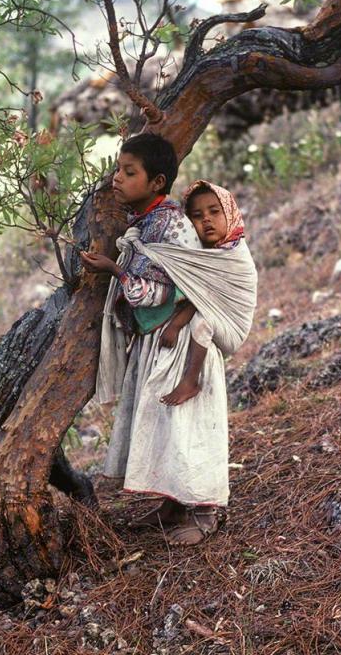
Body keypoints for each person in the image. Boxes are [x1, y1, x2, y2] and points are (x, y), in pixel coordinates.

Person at [89, 150, 257, 546]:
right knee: (164, 425)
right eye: (199, 215)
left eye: (129, 171)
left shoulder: (189, 236)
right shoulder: (153, 225)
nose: (205, 222)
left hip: (189, 347)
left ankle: (204, 511)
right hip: (166, 338)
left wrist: (114, 269)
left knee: (188, 427)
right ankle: (172, 503)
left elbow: (180, 292)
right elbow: (189, 287)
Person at [157, 180, 246, 407]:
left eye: (215, 212)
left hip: (233, 324)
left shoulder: (232, 254)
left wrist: (175, 326)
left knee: (201, 321)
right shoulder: (203, 254)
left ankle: (190, 381)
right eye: (197, 215)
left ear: (230, 213)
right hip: (217, 315)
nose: (206, 219)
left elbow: (202, 298)